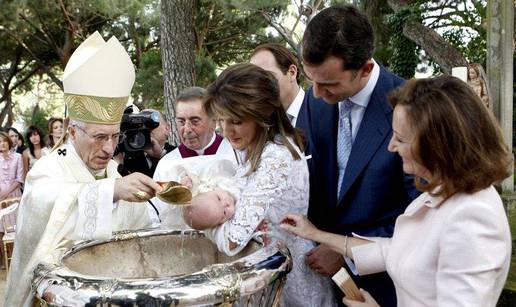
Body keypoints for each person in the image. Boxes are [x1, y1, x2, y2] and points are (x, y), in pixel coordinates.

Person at [281, 75, 512, 307]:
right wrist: (315, 234)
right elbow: (392, 249)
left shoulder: (473, 216)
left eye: (400, 138)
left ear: (436, 144)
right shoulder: (438, 193)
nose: (391, 146)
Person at [5, 31, 161, 307]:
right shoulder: (47, 170)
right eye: (99, 137)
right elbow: (44, 210)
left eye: (115, 136)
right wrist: (111, 192)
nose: (109, 149)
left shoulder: (111, 171)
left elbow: (138, 230)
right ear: (72, 131)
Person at [297, 4, 420, 306]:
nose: (315, 94)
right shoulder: (316, 102)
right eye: (310, 80)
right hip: (321, 280)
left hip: (385, 285)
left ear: (365, 68)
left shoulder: (411, 109)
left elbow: (418, 214)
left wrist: (344, 250)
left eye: (329, 84)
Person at [203, 63, 337, 307]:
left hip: (294, 283)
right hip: (269, 281)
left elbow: (233, 239)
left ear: (261, 113)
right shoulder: (256, 150)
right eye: (222, 120)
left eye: (236, 121)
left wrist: (200, 220)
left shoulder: (277, 155)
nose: (226, 130)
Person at [151, 87, 235, 229]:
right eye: (181, 122)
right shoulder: (167, 164)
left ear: (213, 122)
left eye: (195, 121)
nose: (187, 129)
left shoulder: (233, 153)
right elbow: (155, 213)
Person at [158, 155, 238, 230]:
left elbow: (194, 170)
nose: (226, 203)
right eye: (224, 213)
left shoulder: (212, 182)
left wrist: (186, 178)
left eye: (219, 198)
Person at [250, 43, 306, 127]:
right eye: (254, 80)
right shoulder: (260, 123)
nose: (259, 87)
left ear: (292, 72)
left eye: (267, 77)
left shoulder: (323, 109)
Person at [117, 109, 175, 177]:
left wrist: (159, 157)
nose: (145, 128)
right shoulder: (127, 153)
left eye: (150, 123)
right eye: (140, 124)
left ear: (167, 128)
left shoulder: (178, 154)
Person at [0, 131, 24, 201]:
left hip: (15, 192)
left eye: (5, 141)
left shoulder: (18, 157)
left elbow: (19, 179)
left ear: (9, 142)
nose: (2, 144)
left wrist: (7, 192)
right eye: (0, 141)